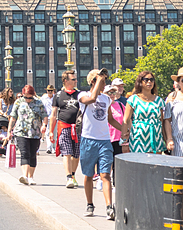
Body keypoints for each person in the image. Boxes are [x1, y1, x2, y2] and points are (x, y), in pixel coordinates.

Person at [78, 68, 123, 220]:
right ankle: (90, 204)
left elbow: (109, 119)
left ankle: (109, 207)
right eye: (102, 82)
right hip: (88, 140)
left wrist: (124, 129)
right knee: (89, 175)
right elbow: (90, 100)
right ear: (93, 82)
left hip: (104, 140)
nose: (104, 85)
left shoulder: (106, 99)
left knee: (105, 175)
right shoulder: (83, 95)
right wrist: (98, 80)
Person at [122, 70, 171, 154]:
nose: (149, 82)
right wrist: (124, 142)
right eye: (146, 79)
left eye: (152, 80)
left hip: (156, 139)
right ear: (140, 82)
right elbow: (125, 121)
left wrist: (167, 140)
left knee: (155, 165)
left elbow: (162, 122)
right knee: (139, 165)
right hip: (138, 139)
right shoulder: (133, 99)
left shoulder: (159, 100)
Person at [7, 84, 48, 185]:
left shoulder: (39, 103)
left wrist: (44, 125)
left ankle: (31, 177)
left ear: (33, 95)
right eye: (25, 97)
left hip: (35, 133)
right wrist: (9, 131)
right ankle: (25, 176)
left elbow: (45, 116)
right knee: (24, 153)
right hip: (21, 132)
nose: (28, 99)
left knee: (32, 154)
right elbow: (13, 117)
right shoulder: (18, 102)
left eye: (30, 97)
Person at [49, 70, 81, 189]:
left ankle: (73, 175)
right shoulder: (58, 95)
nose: (75, 81)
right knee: (67, 152)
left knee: (76, 154)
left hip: (77, 128)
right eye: (73, 79)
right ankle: (68, 177)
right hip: (64, 127)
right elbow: (53, 114)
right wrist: (51, 131)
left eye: (75, 79)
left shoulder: (79, 94)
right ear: (65, 81)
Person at [41, 85, 56, 153]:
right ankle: (49, 148)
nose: (49, 92)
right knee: (47, 132)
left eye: (51, 91)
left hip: (54, 117)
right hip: (46, 117)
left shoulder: (55, 98)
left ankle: (53, 147)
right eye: (48, 91)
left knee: (54, 132)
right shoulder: (44, 98)